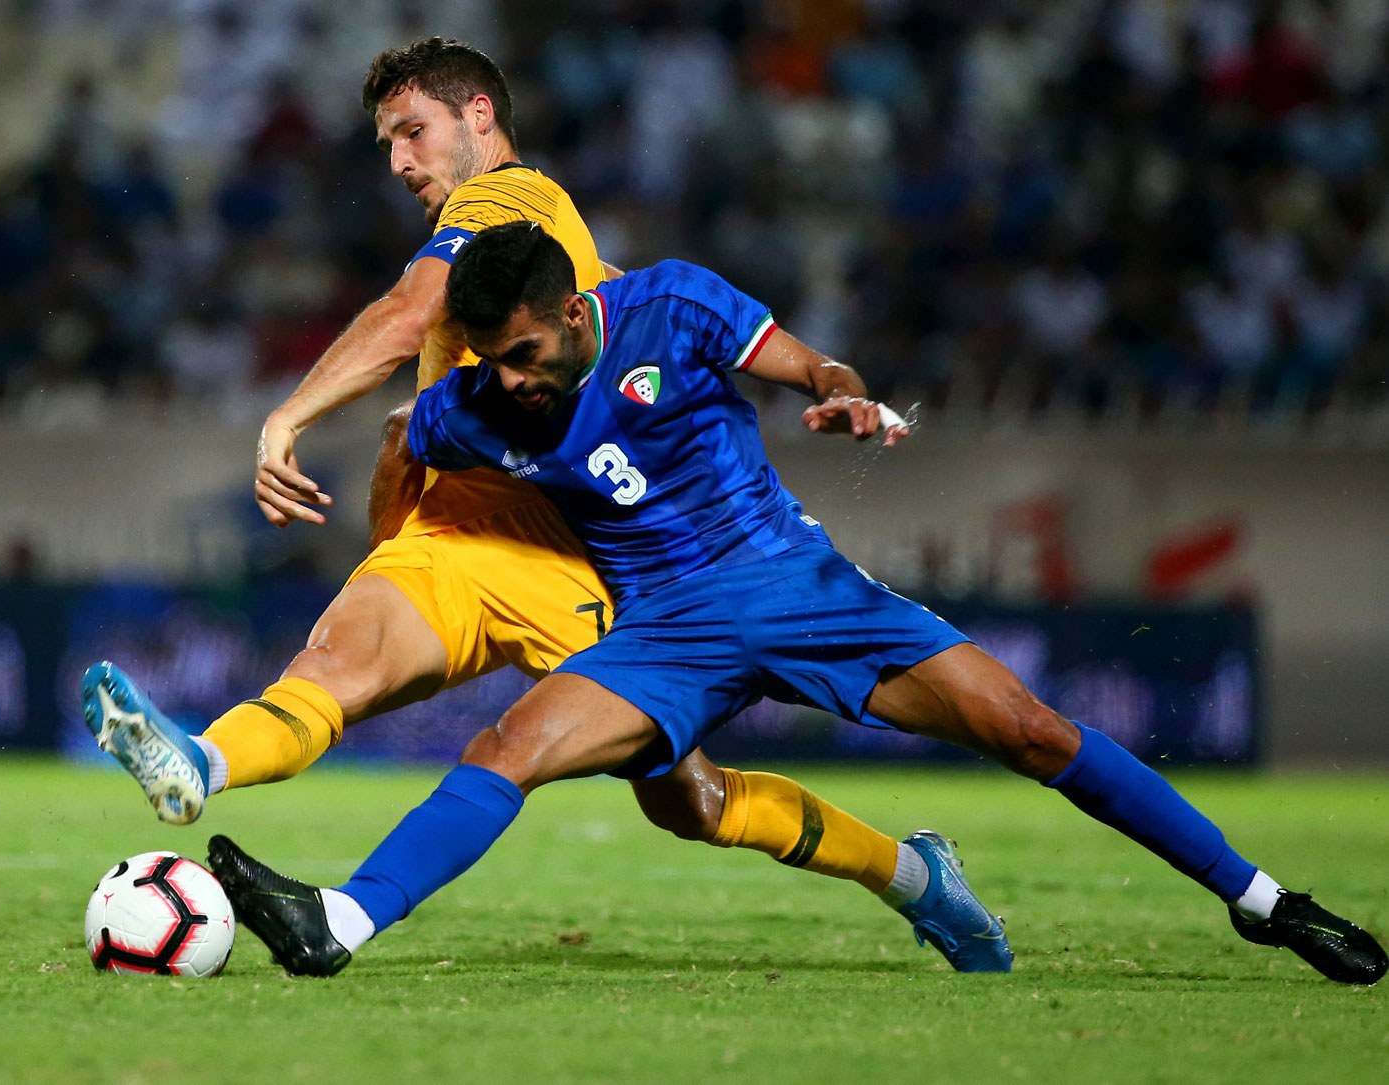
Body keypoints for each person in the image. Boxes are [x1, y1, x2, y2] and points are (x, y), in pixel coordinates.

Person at [205, 222, 1386, 985]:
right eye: (487, 357)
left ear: (573, 315)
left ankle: (1263, 900)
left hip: (797, 584)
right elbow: (409, 469)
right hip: (663, 631)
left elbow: (813, 364)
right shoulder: (469, 405)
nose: (506, 379)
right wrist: (389, 486)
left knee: (1029, 728)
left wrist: (845, 393)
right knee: (508, 745)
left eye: (520, 353)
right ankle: (338, 922)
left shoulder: (675, 307)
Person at [83, 39, 1010, 976]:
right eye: (387, 142)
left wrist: (284, 418)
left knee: (694, 803)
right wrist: (392, 549)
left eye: (413, 131)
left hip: (565, 559)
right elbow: (408, 425)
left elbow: (410, 313)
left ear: (479, 116)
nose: (399, 160)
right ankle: (199, 762)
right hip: (451, 539)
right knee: (331, 667)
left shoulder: (505, 199)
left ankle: (914, 875)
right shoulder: (527, 250)